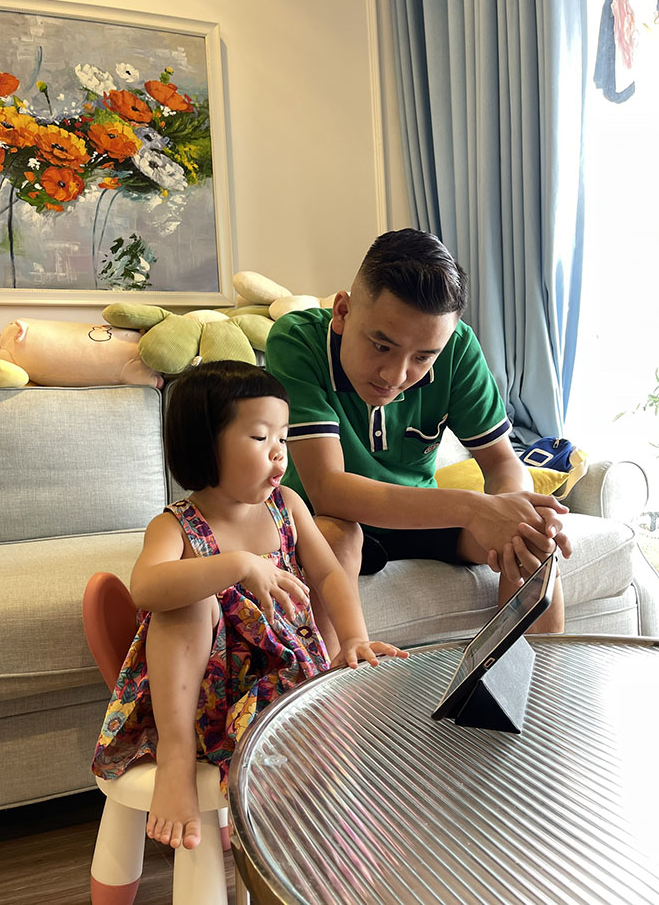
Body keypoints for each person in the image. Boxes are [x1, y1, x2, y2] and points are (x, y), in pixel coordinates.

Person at [92, 360, 407, 851]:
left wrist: (353, 639)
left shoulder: (287, 507)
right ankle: (177, 760)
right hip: (198, 700)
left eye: (283, 437)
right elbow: (146, 588)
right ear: (204, 444)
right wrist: (236, 565)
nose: (279, 452)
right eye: (261, 438)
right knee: (186, 600)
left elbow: (330, 575)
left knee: (350, 753)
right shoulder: (175, 526)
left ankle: (301, 841)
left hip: (281, 682)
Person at [265, 228, 572, 658]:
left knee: (531, 542)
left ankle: (535, 692)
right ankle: (325, 690)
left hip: (420, 515)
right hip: (329, 517)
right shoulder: (297, 340)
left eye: (423, 357)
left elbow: (503, 463)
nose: (395, 375)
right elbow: (328, 488)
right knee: (336, 536)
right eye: (381, 345)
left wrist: (514, 513)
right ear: (343, 312)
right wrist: (474, 508)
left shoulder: (458, 348)